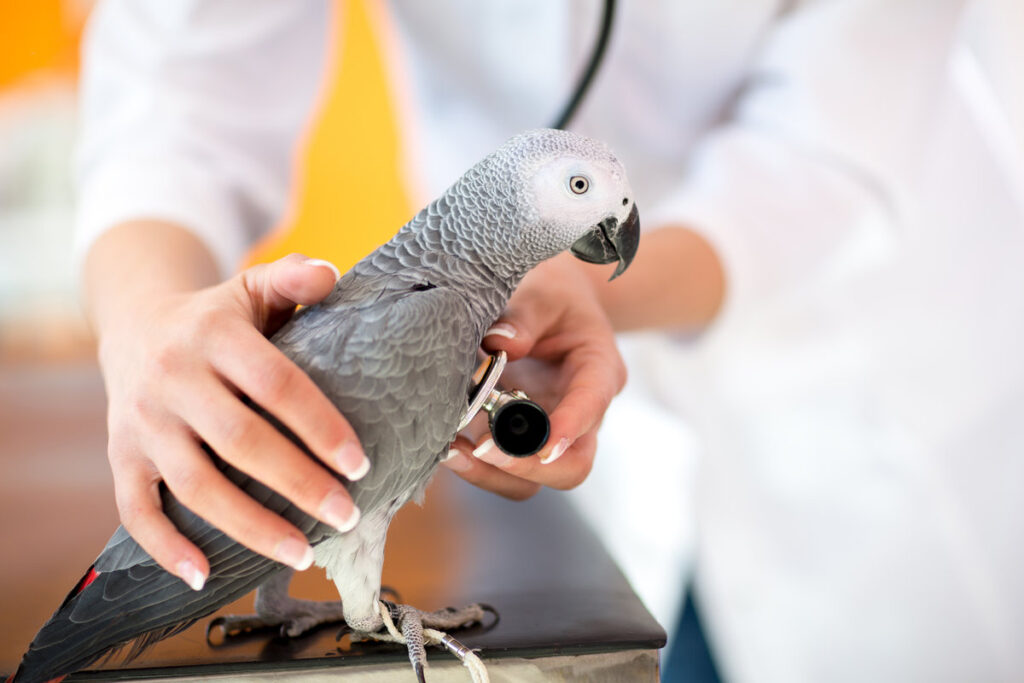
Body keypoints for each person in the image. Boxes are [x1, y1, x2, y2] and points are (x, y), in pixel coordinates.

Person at [79, 1, 1024, 681]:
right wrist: (145, 318)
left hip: (871, 394)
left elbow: (829, 145)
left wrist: (593, 291)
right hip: (574, 486)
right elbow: (176, 82)